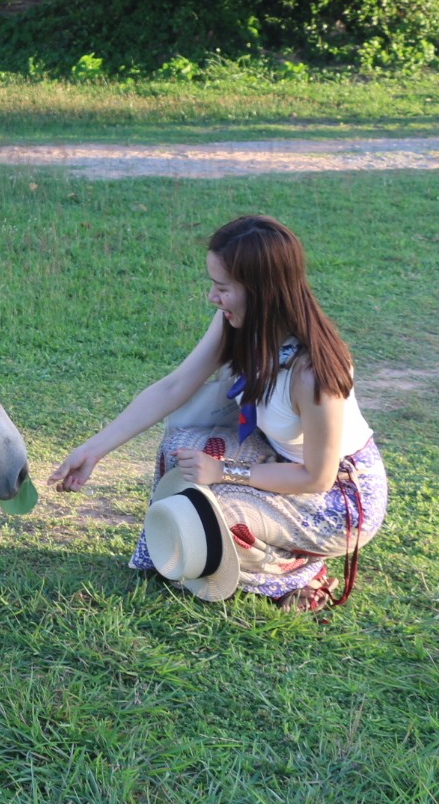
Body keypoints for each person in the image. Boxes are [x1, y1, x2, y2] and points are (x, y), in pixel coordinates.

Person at [47, 215, 388, 610]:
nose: (212, 296)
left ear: (262, 292)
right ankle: (191, 554)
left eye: (222, 287)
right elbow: (175, 386)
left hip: (339, 498)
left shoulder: (314, 373)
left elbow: (317, 476)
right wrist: (94, 449)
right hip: (280, 459)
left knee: (216, 515)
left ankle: (300, 574)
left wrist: (225, 472)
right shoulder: (238, 324)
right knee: (182, 452)